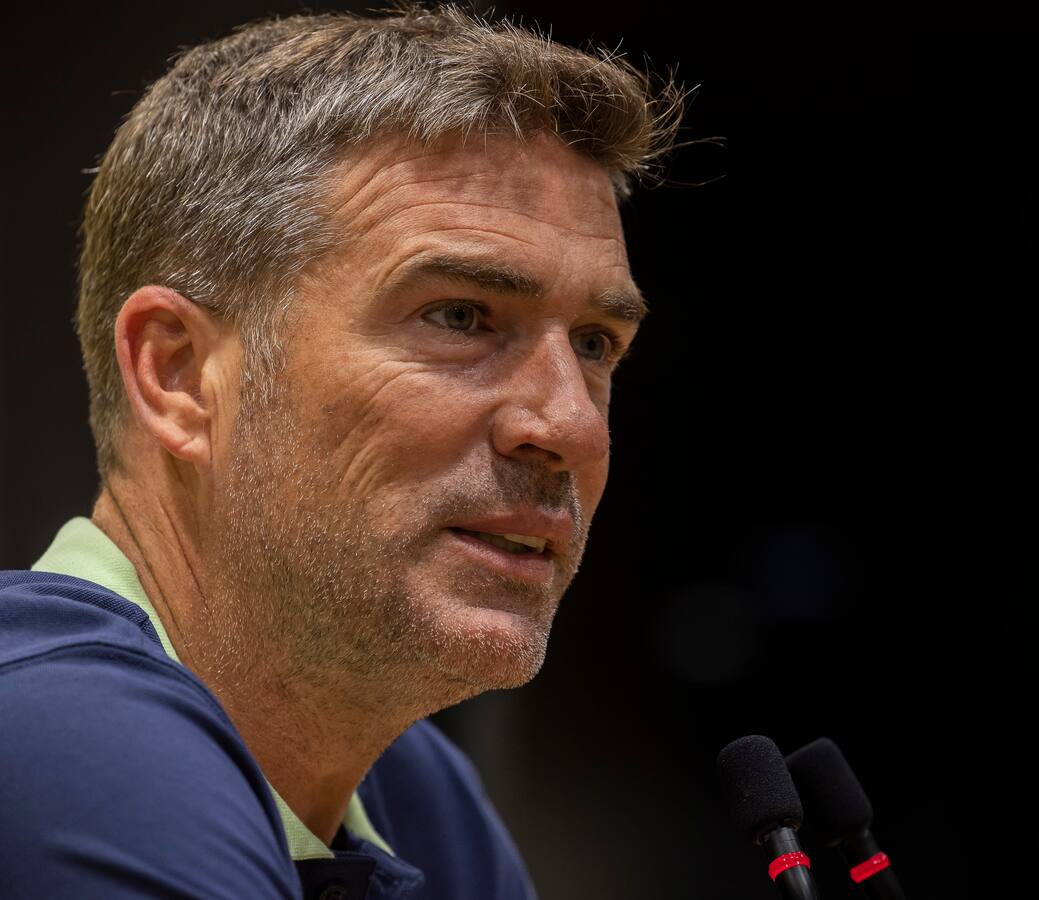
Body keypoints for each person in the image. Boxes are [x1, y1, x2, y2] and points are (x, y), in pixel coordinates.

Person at [0, 5, 680, 898]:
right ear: (179, 375)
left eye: (595, 344)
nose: (572, 427)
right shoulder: (63, 738)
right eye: (460, 317)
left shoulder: (420, 799)